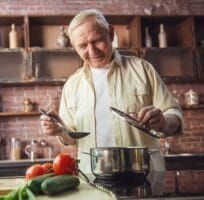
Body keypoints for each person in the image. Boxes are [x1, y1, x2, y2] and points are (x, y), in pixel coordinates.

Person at [40, 9, 183, 173]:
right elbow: (71, 138)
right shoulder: (72, 85)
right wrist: (60, 129)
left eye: (97, 40)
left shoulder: (143, 70)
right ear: (74, 47)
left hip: (142, 177)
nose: (92, 51)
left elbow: (174, 115)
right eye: (83, 46)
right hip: (92, 179)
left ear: (111, 33)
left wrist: (164, 121)